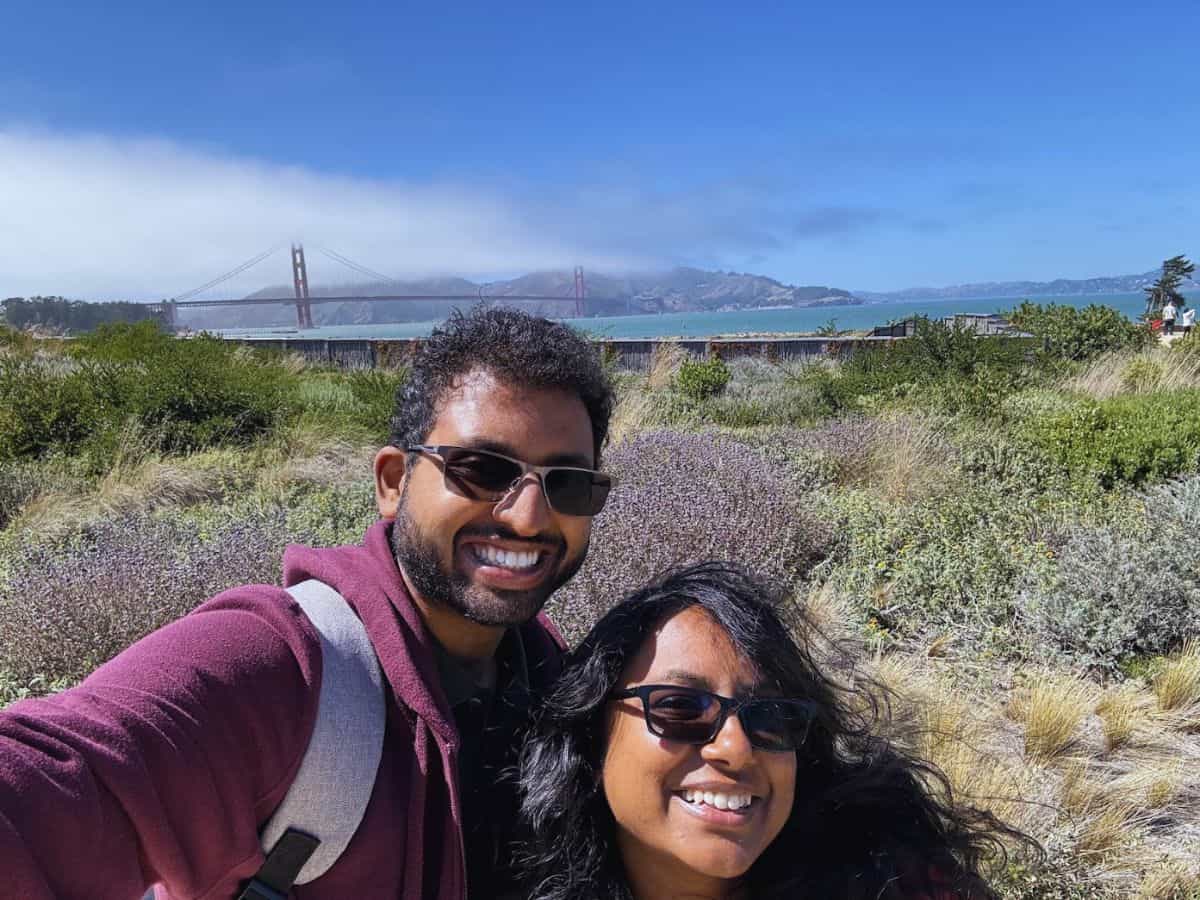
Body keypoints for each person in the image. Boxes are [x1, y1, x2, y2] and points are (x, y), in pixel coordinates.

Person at [0, 306, 614, 899]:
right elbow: (47, 776)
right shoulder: (283, 663)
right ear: (393, 482)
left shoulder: (553, 674)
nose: (529, 517)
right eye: (481, 469)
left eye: (568, 484)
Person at [518, 563, 1032, 900]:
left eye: (771, 715)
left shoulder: (899, 885)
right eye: (679, 707)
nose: (736, 747)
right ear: (590, 733)